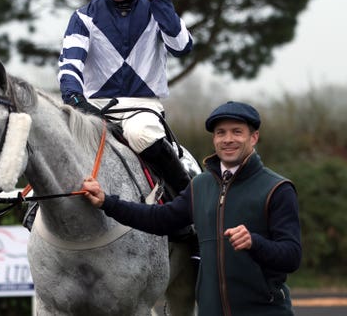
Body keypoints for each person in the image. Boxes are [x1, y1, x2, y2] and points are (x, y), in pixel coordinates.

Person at [82, 101, 302, 316]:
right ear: (214, 139)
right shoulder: (199, 185)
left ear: (254, 137)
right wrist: (106, 202)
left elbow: (291, 257)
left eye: (237, 132)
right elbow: (159, 219)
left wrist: (255, 243)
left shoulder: (277, 189)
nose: (228, 139)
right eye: (221, 133)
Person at [57, 0, 194, 198]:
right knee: (53, 139)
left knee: (140, 133)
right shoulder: (83, 17)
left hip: (142, 108)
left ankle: (189, 205)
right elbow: (70, 64)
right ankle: (35, 207)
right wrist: (74, 97)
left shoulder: (156, 9)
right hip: (92, 107)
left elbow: (182, 47)